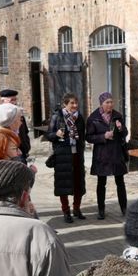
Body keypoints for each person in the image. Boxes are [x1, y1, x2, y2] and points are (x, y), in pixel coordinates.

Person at [86, 91, 128, 220]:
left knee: (120, 182)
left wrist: (120, 128)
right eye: (107, 102)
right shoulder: (93, 118)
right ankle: (101, 210)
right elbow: (89, 137)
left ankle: (124, 209)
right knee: (101, 183)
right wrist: (103, 136)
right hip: (102, 155)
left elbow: (125, 133)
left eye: (111, 102)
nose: (110, 104)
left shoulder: (117, 116)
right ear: (101, 104)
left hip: (116, 153)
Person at [46, 93, 87, 223]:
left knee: (78, 183)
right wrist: (56, 134)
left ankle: (77, 209)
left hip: (77, 155)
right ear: (65, 104)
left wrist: (81, 147)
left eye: (76, 103)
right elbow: (49, 135)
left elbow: (82, 136)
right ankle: (66, 211)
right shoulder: (57, 116)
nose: (75, 105)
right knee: (63, 184)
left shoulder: (79, 117)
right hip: (62, 155)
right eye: (72, 103)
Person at [0, 89, 31, 160]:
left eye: (15, 99)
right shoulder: (0, 117)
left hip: (22, 152)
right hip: (10, 154)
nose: (14, 102)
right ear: (3, 101)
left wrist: (27, 146)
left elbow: (25, 132)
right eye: (12, 100)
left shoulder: (19, 114)